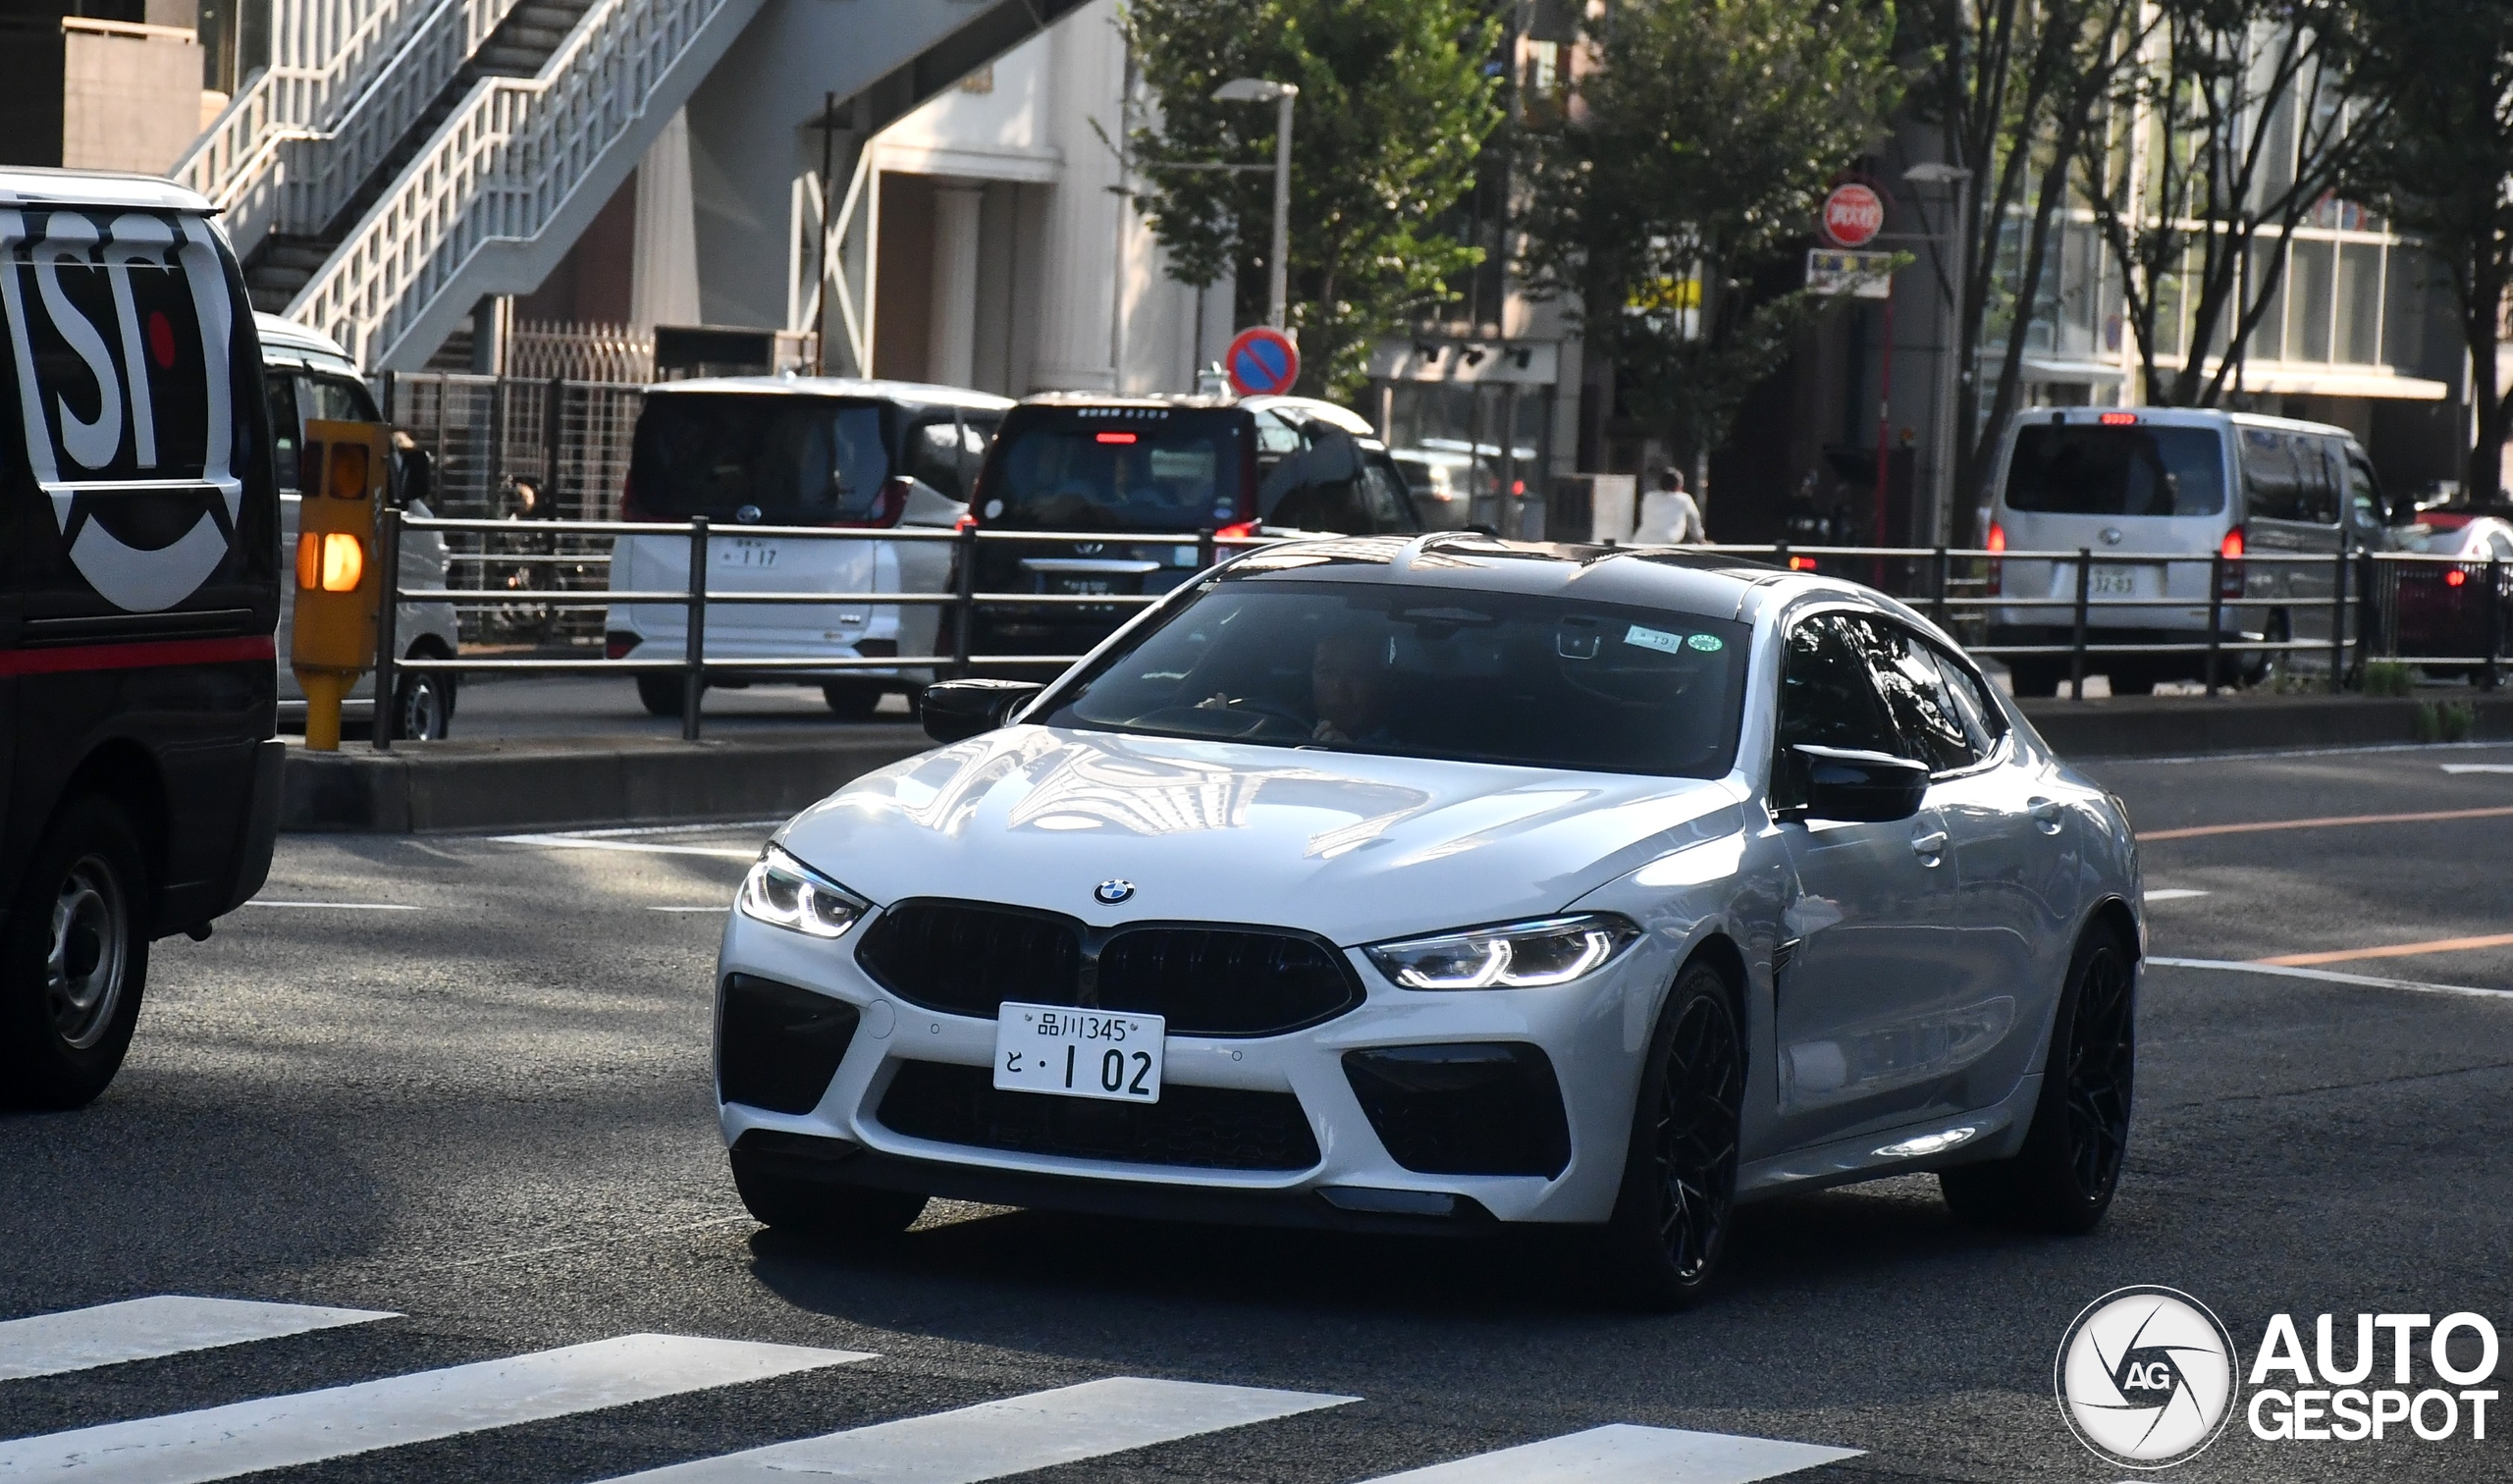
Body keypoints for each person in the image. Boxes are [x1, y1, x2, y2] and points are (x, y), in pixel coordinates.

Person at [1310, 630, 1399, 745]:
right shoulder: (1283, 731)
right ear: (1310, 676)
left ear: (1378, 680)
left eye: (1355, 673)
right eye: (1326, 671)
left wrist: (1349, 754)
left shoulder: (1410, 753)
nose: (1338, 686)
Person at [1633, 465, 1707, 546]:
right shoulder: (1684, 499)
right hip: (1668, 542)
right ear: (1679, 485)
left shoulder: (1649, 497)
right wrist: (1701, 540)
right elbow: (1694, 523)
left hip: (1641, 541)